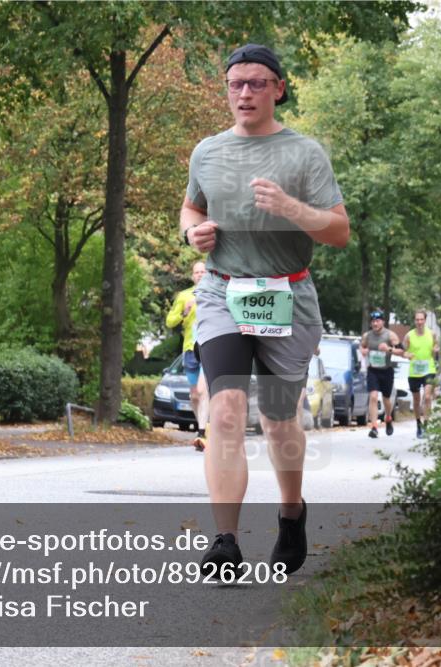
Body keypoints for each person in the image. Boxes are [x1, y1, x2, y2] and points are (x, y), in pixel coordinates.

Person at [180, 44, 350, 576]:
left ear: (279, 88)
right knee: (226, 409)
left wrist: (291, 208)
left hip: (288, 296)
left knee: (279, 420)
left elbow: (340, 232)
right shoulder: (207, 151)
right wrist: (192, 232)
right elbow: (192, 205)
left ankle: (292, 512)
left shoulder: (305, 154)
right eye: (236, 84)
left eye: (257, 83)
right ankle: (225, 541)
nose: (245, 93)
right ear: (226, 90)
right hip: (222, 292)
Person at [165, 261, 210, 451]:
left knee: (202, 390)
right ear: (193, 276)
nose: (199, 275)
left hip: (209, 346)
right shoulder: (184, 296)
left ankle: (202, 432)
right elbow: (170, 321)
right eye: (196, 272)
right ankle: (203, 424)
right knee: (194, 395)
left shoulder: (214, 294)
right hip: (190, 349)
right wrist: (184, 312)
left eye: (202, 271)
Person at [359, 310, 399, 439]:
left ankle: (388, 417)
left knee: (386, 399)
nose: (375, 323)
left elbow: (401, 350)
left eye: (378, 321)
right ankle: (374, 427)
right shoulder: (367, 336)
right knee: (374, 397)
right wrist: (363, 351)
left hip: (386, 370)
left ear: (383, 322)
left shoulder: (390, 335)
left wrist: (389, 349)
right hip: (373, 370)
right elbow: (362, 346)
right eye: (373, 321)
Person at [402, 309, 439, 439]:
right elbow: (404, 351)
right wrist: (407, 354)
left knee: (427, 397)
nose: (419, 322)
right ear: (414, 320)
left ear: (425, 320)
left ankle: (427, 425)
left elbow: (436, 347)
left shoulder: (432, 334)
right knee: (417, 399)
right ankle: (418, 425)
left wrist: (436, 349)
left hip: (428, 369)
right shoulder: (409, 336)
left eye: (421, 319)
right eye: (417, 320)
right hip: (414, 371)